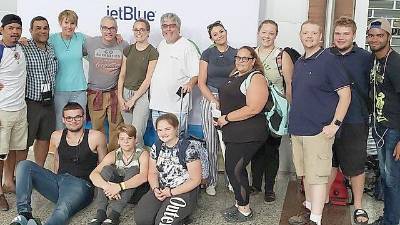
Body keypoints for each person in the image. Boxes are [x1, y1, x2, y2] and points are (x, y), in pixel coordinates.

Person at [288, 21, 351, 225]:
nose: (309, 36)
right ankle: (308, 211)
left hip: (318, 130)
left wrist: (335, 124)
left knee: (318, 177)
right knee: (306, 175)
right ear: (300, 35)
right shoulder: (300, 62)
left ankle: (316, 219)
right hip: (298, 129)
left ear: (321, 37)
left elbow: (345, 95)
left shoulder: (330, 60)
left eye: (314, 33)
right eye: (305, 32)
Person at [10, 102, 107, 225]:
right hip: (59, 180)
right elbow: (57, 159)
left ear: (83, 118)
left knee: (61, 211)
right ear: (63, 120)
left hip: (81, 185)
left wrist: (101, 196)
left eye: (77, 117)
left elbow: (104, 166)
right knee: (24, 165)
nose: (74, 121)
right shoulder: (56, 135)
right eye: (69, 118)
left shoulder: (96, 136)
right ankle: (25, 214)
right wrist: (54, 179)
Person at [326, 16, 371, 225]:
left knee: (355, 166)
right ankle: (322, 200)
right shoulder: (325, 56)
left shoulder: (365, 58)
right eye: (337, 33)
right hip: (327, 120)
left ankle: (359, 205)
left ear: (354, 35)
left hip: (355, 119)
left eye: (345, 34)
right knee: (328, 163)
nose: (341, 37)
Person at [216, 46, 268, 222]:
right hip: (233, 131)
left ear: (253, 61)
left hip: (249, 132)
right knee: (233, 169)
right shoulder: (235, 75)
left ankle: (245, 210)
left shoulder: (256, 77)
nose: (240, 61)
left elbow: (254, 108)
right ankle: (239, 203)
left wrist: (227, 117)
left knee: (235, 169)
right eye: (238, 57)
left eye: (245, 58)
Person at [250, 19, 294, 202]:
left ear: (276, 35)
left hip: (275, 110)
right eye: (264, 32)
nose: (267, 36)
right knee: (255, 148)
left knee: (271, 149)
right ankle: (255, 185)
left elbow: (290, 86)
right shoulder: (251, 53)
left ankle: (269, 188)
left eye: (271, 33)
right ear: (259, 32)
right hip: (255, 109)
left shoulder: (281, 55)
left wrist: (290, 112)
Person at [134, 113, 202, 225]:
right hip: (162, 188)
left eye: (167, 129)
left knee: (162, 223)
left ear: (176, 128)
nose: (163, 133)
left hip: (182, 190)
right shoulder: (157, 146)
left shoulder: (188, 148)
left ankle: (182, 216)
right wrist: (155, 188)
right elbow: (152, 172)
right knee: (142, 220)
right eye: (159, 130)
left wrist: (171, 192)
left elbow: (195, 180)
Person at [198, 20, 237, 196]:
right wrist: (214, 100)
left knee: (229, 144)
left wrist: (228, 99)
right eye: (215, 34)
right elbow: (201, 82)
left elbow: (239, 79)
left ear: (226, 32)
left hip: (231, 102)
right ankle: (212, 181)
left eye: (221, 31)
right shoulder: (207, 54)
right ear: (212, 38)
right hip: (210, 100)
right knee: (211, 143)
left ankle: (232, 181)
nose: (219, 35)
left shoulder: (237, 54)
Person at [367, 18, 400, 225]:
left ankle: (392, 221)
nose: (375, 39)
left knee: (392, 180)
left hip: (394, 131)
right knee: (386, 179)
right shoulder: (375, 60)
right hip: (380, 127)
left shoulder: (396, 63)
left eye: (380, 35)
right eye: (371, 35)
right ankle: (389, 217)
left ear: (389, 36)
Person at [89, 124, 149, 225]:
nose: (125, 141)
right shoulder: (113, 154)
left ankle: (114, 214)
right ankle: (101, 212)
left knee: (133, 169)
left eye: (129, 138)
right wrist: (108, 187)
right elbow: (93, 174)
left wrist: (119, 187)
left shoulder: (142, 154)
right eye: (122, 138)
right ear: (118, 141)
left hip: (136, 191)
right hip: (115, 191)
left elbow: (143, 177)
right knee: (106, 169)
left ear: (135, 140)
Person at [149, 13, 199, 131]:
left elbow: (196, 74)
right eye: (165, 26)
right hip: (157, 105)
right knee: (160, 143)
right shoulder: (161, 44)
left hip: (176, 107)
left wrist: (190, 84)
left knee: (176, 142)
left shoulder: (187, 46)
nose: (168, 29)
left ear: (179, 28)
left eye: (172, 26)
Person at [85, 16, 128, 152]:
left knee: (116, 128)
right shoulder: (90, 43)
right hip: (95, 94)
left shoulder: (124, 45)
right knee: (97, 128)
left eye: (112, 28)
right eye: (105, 28)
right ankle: (99, 157)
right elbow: (71, 48)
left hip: (115, 94)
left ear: (116, 30)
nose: (109, 31)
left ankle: (113, 157)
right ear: (100, 29)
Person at [22, 16, 58, 167]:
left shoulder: (52, 47)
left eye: (45, 28)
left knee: (44, 138)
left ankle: (39, 170)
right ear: (31, 30)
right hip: (31, 103)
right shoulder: (23, 46)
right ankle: (18, 174)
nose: (42, 31)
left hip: (49, 103)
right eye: (38, 28)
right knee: (23, 142)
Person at [0, 14, 27, 211]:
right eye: (10, 28)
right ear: (2, 30)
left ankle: (8, 183)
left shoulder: (20, 46)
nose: (14, 32)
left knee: (15, 151)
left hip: (20, 109)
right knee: (0, 155)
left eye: (17, 28)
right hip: (3, 111)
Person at [117, 19, 158, 148]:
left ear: (148, 32)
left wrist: (133, 100)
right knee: (127, 132)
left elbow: (148, 80)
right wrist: (120, 97)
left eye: (142, 29)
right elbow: (122, 74)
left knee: (137, 133)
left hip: (141, 95)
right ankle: (128, 162)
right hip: (125, 93)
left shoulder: (152, 52)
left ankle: (141, 163)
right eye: (136, 29)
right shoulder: (128, 50)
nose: (139, 32)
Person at [49, 10, 87, 130]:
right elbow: (35, 43)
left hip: (79, 89)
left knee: (80, 123)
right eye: (66, 22)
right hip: (59, 89)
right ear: (60, 23)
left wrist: (116, 36)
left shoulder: (81, 38)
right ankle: (61, 148)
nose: (69, 26)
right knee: (61, 124)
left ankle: (80, 148)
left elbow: (99, 43)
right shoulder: (52, 39)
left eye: (72, 23)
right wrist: (23, 38)